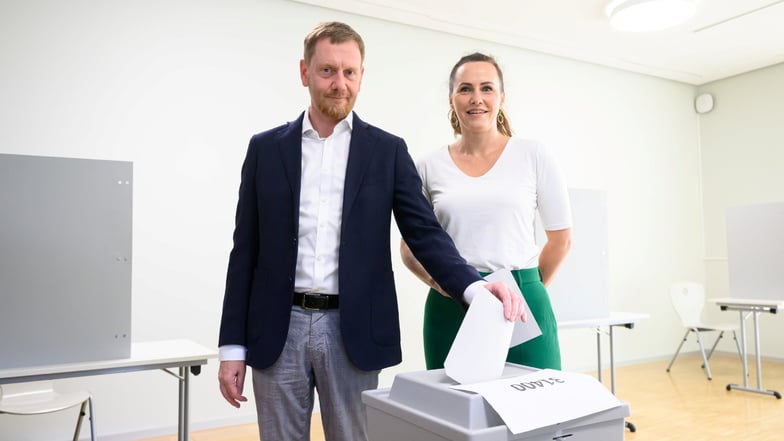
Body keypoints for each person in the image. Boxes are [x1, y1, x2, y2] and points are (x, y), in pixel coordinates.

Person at [217, 24, 526, 441]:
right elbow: (245, 252)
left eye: (350, 72)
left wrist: (472, 288)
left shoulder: (387, 151)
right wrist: (232, 346)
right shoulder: (266, 149)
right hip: (277, 329)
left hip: (353, 330)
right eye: (327, 70)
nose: (339, 83)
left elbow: (424, 233)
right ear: (304, 71)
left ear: (362, 75)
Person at [401, 52, 573, 371]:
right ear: (451, 99)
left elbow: (560, 240)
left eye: (487, 88)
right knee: (452, 412)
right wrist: (450, 287)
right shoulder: (427, 166)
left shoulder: (533, 154)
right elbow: (409, 249)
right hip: (451, 302)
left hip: (521, 302)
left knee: (534, 409)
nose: (476, 98)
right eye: (465, 89)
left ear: (502, 97)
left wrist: (525, 288)